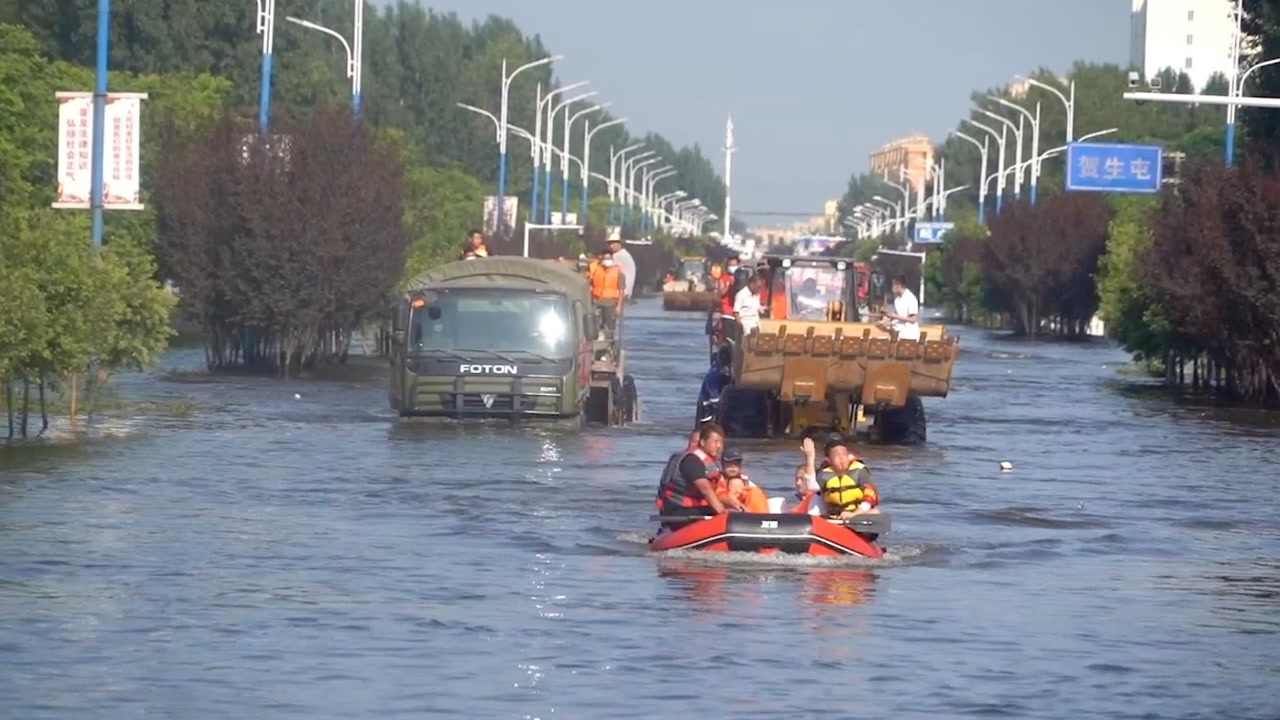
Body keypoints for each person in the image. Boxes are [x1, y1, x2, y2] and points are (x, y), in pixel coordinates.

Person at [655, 423, 741, 517]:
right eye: (715, 442)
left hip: (696, 507)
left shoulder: (711, 463)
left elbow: (717, 491)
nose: (719, 446)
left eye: (721, 442)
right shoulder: (691, 460)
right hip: (678, 510)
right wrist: (721, 512)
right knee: (725, 512)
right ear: (703, 442)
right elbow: (705, 488)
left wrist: (737, 505)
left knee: (735, 510)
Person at [797, 436, 879, 520]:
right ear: (829, 460)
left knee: (875, 512)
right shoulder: (825, 474)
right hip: (834, 517)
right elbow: (811, 487)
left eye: (844, 455)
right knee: (816, 498)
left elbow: (870, 496)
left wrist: (855, 514)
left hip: (858, 514)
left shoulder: (860, 471)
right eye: (837, 456)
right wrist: (810, 458)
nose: (841, 459)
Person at [718, 447, 770, 513]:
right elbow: (718, 496)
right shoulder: (717, 479)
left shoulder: (746, 481)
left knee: (755, 491)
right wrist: (738, 505)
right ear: (722, 464)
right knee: (735, 483)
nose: (733, 466)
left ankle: (762, 517)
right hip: (729, 510)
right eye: (729, 462)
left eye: (736, 463)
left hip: (748, 513)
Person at [589, 248, 626, 340]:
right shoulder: (596, 269)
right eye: (605, 259)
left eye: (609, 259)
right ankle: (596, 341)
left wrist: (619, 306)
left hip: (610, 302)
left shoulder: (618, 272)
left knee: (609, 326)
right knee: (594, 324)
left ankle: (609, 345)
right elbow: (589, 282)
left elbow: (622, 290)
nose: (607, 261)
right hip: (597, 301)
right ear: (601, 259)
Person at [879, 275, 920, 340]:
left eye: (893, 285)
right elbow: (898, 316)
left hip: (909, 336)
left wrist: (895, 317)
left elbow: (913, 319)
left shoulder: (910, 298)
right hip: (898, 334)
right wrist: (885, 320)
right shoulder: (897, 299)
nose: (892, 287)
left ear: (899, 285)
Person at [607, 233, 636, 302]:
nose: (611, 246)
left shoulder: (619, 256)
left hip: (621, 292)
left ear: (619, 244)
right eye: (610, 244)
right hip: (626, 292)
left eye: (614, 243)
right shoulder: (626, 254)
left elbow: (606, 266)